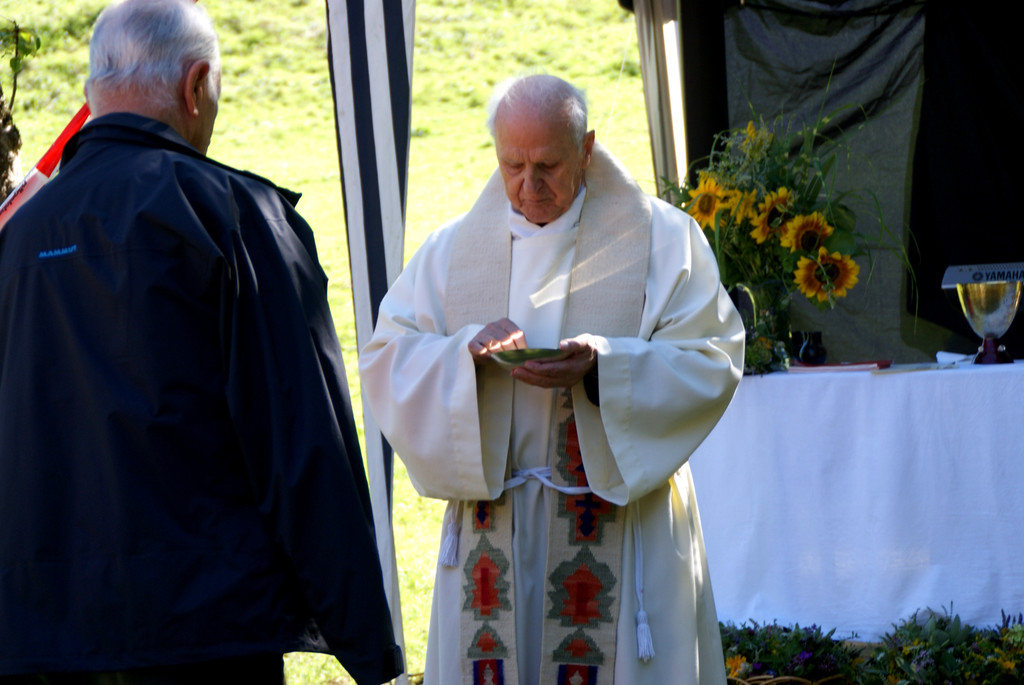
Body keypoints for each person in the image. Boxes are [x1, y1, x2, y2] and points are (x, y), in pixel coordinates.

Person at [0, 1, 403, 683]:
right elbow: (303, 439)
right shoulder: (231, 215)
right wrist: (369, 644)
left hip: (39, 632)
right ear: (197, 84)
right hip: (202, 634)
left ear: (95, 90)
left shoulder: (18, 238)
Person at [359, 73, 744, 685]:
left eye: (547, 165)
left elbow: (712, 356)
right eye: (512, 165)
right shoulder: (452, 251)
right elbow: (386, 358)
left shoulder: (663, 241)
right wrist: (465, 354)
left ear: (586, 148)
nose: (528, 185)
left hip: (620, 524)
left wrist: (607, 367)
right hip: (498, 524)